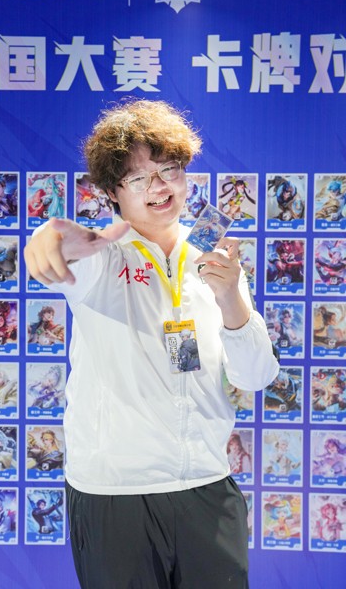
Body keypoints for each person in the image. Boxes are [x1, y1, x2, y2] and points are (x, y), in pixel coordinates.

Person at [24, 99, 279, 589]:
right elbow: (65, 248)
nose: (159, 188)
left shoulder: (212, 251)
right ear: (112, 192)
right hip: (115, 494)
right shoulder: (103, 257)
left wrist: (230, 297)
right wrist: (48, 239)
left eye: (169, 171)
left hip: (206, 485)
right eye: (139, 178)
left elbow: (256, 377)